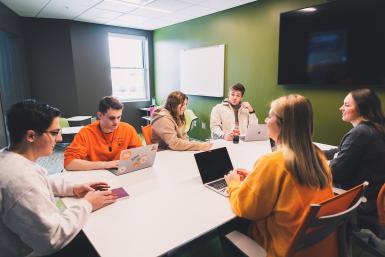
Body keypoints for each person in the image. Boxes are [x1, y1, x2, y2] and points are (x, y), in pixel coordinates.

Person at [0, 99, 116, 257]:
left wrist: (72, 188)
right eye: (54, 133)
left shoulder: (8, 158)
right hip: (34, 252)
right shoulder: (22, 181)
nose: (60, 139)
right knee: (102, 239)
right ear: (31, 136)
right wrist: (88, 204)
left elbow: (40, 181)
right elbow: (52, 239)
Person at [224, 94, 333, 257]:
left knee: (227, 224)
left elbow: (246, 209)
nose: (266, 121)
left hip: (280, 248)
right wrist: (256, 177)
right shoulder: (317, 155)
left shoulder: (272, 162)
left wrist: (233, 184)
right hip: (312, 245)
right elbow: (290, 187)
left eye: (269, 116)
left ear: (283, 124)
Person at [325, 88, 385, 235]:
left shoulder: (360, 133)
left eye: (346, 105)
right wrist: (319, 153)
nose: (341, 108)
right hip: (374, 196)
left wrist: (323, 163)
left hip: (361, 202)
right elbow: (344, 150)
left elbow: (335, 173)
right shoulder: (375, 129)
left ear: (362, 108)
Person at [64, 96, 142, 171]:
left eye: (119, 117)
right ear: (100, 115)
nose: (116, 122)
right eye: (112, 118)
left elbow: (140, 153)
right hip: (95, 175)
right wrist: (105, 165)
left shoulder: (128, 129)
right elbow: (69, 163)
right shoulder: (86, 133)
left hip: (120, 173)